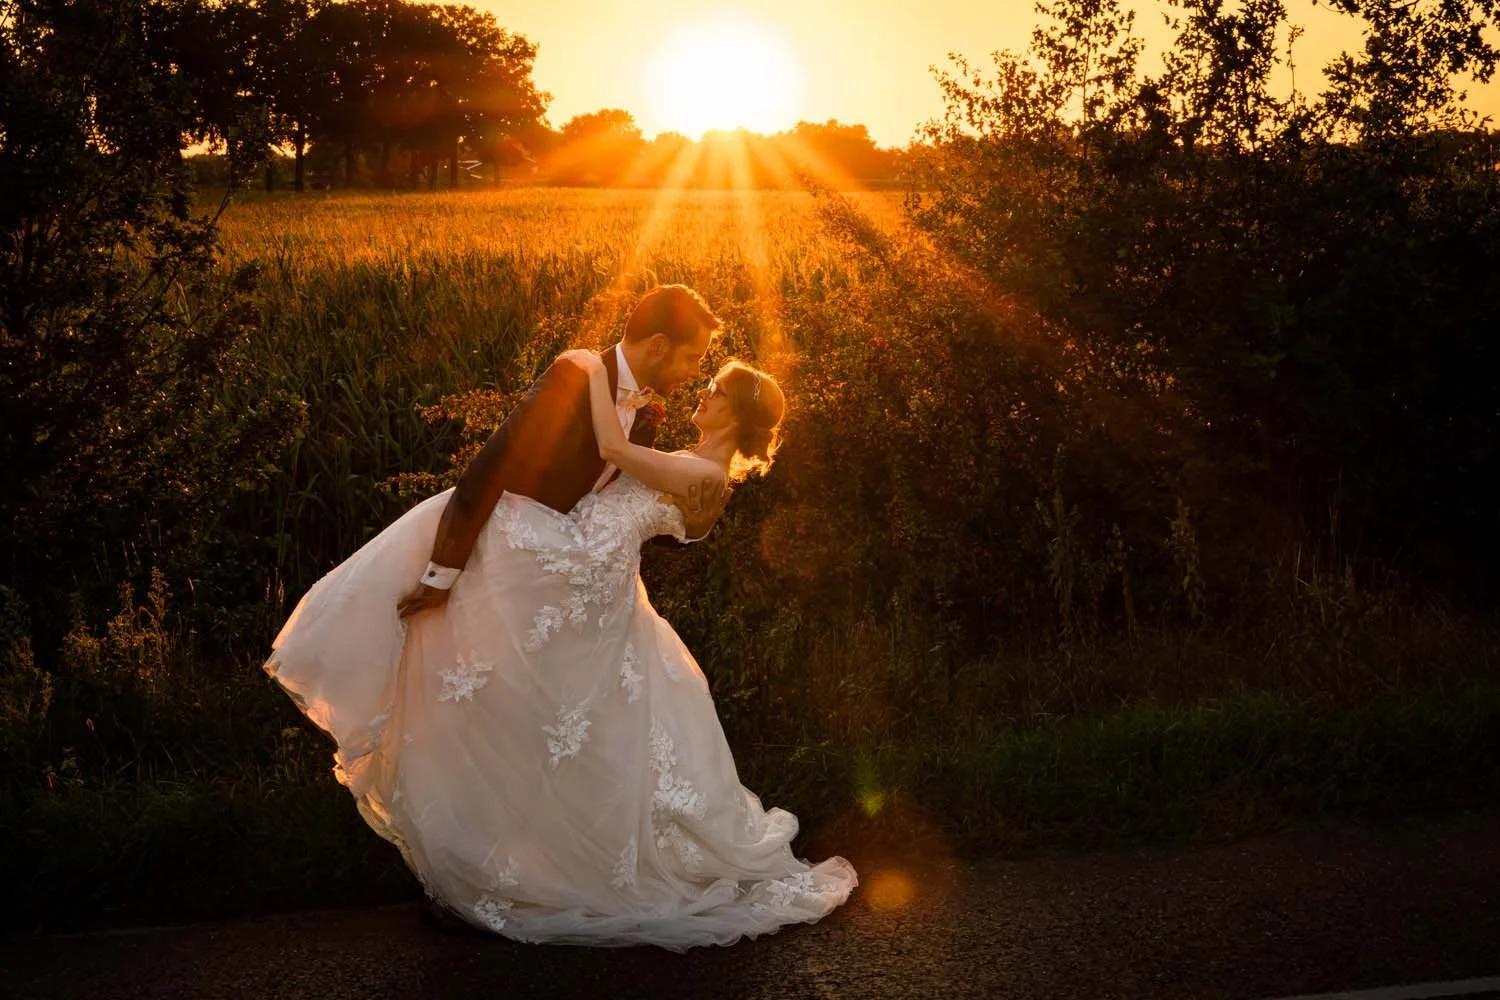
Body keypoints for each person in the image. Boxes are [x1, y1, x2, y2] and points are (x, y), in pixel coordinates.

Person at [264, 286, 857, 950]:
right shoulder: (647, 419)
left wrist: (579, 362)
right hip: (549, 581)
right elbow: (492, 470)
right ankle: (494, 863)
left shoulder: (674, 450)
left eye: (710, 383)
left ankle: (528, 871)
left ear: (732, 413)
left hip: (576, 599)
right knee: (526, 721)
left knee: (549, 730)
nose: (697, 381)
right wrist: (445, 570)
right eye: (696, 363)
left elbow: (612, 462)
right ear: (659, 346)